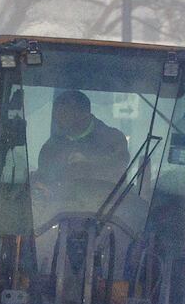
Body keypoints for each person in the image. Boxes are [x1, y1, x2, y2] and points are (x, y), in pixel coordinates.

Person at [34, 89, 130, 220]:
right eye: (56, 113)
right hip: (59, 218)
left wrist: (89, 164)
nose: (57, 118)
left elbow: (118, 169)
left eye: (64, 113)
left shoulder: (113, 139)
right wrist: (40, 185)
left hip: (107, 217)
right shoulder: (50, 148)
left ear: (83, 114)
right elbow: (44, 181)